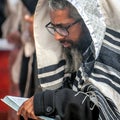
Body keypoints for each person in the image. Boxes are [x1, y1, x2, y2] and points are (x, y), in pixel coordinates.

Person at [17, 0, 120, 120]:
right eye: (54, 27)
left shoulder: (110, 56)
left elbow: (101, 111)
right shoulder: (73, 51)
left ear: (87, 21)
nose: (57, 36)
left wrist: (50, 101)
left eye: (62, 27)